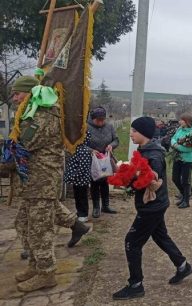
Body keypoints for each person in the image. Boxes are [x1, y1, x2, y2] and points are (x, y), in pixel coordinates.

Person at [6, 76, 89, 292]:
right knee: (24, 224)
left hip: (42, 182)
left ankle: (46, 273)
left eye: (18, 94)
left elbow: (24, 143)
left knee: (40, 229)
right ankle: (36, 266)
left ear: (30, 93)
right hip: (33, 182)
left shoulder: (43, 116)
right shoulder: (32, 112)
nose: (15, 98)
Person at [113, 117, 192, 300]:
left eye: (133, 131)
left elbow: (152, 180)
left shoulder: (153, 154)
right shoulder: (146, 150)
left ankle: (136, 284)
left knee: (132, 242)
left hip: (152, 207)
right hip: (155, 204)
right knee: (160, 236)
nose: (130, 134)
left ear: (144, 133)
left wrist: (129, 177)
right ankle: (182, 266)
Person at [87, 106, 119, 217]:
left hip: (106, 159)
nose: (101, 122)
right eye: (98, 120)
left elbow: (116, 140)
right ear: (93, 118)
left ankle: (105, 205)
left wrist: (111, 145)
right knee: (95, 182)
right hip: (93, 160)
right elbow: (80, 144)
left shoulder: (109, 127)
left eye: (103, 120)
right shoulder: (86, 127)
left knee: (105, 181)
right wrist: (90, 150)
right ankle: (96, 207)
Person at [64, 132, 92, 222]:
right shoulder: (77, 149)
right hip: (77, 180)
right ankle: (79, 212)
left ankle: (83, 214)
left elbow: (82, 168)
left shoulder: (83, 150)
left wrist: (73, 175)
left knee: (82, 197)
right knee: (77, 196)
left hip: (81, 179)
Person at [171, 113, 192, 209]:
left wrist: (177, 146)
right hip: (177, 158)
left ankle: (186, 201)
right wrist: (174, 144)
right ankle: (184, 195)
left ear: (186, 122)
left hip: (187, 160)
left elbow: (190, 149)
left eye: (181, 120)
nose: (179, 121)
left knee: (185, 181)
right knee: (175, 178)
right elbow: (173, 139)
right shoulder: (179, 129)